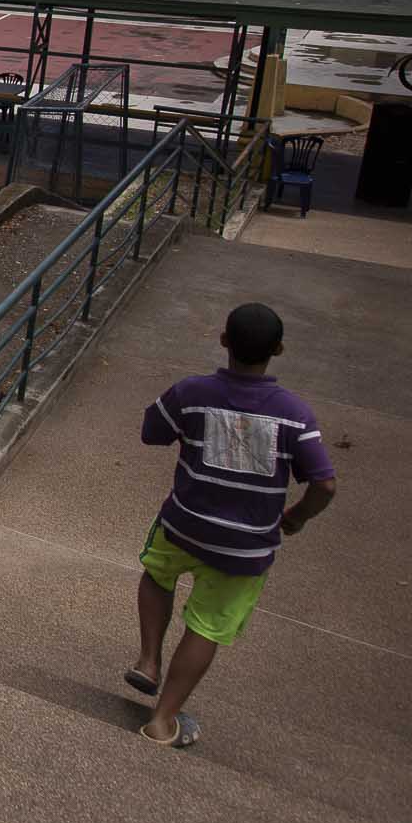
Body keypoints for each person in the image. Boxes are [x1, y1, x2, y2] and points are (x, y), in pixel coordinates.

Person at [130, 302, 337, 748]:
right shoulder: (296, 415)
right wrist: (296, 518)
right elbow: (324, 484)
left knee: (158, 574)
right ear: (278, 349)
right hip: (245, 547)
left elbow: (152, 431)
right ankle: (163, 721)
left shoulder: (192, 393)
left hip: (184, 524)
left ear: (224, 340)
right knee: (206, 626)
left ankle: (148, 660)